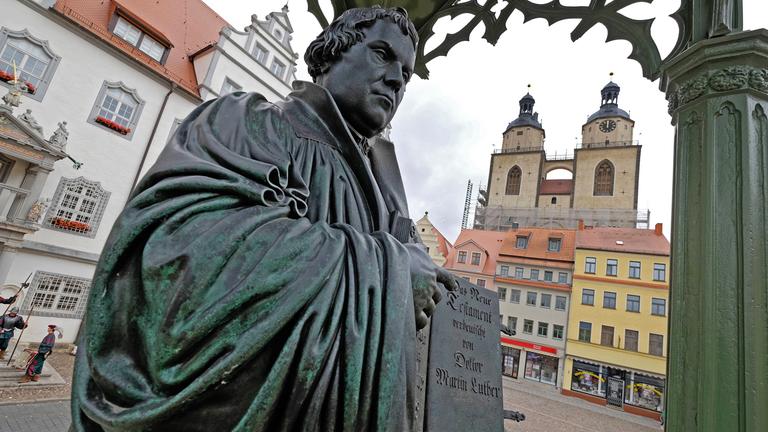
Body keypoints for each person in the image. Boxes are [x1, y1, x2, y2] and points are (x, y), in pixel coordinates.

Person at [72, 6, 456, 432]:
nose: (397, 79)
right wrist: (389, 271)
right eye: (382, 54)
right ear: (330, 55)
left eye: (407, 73)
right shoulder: (247, 122)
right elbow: (178, 258)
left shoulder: (387, 192)